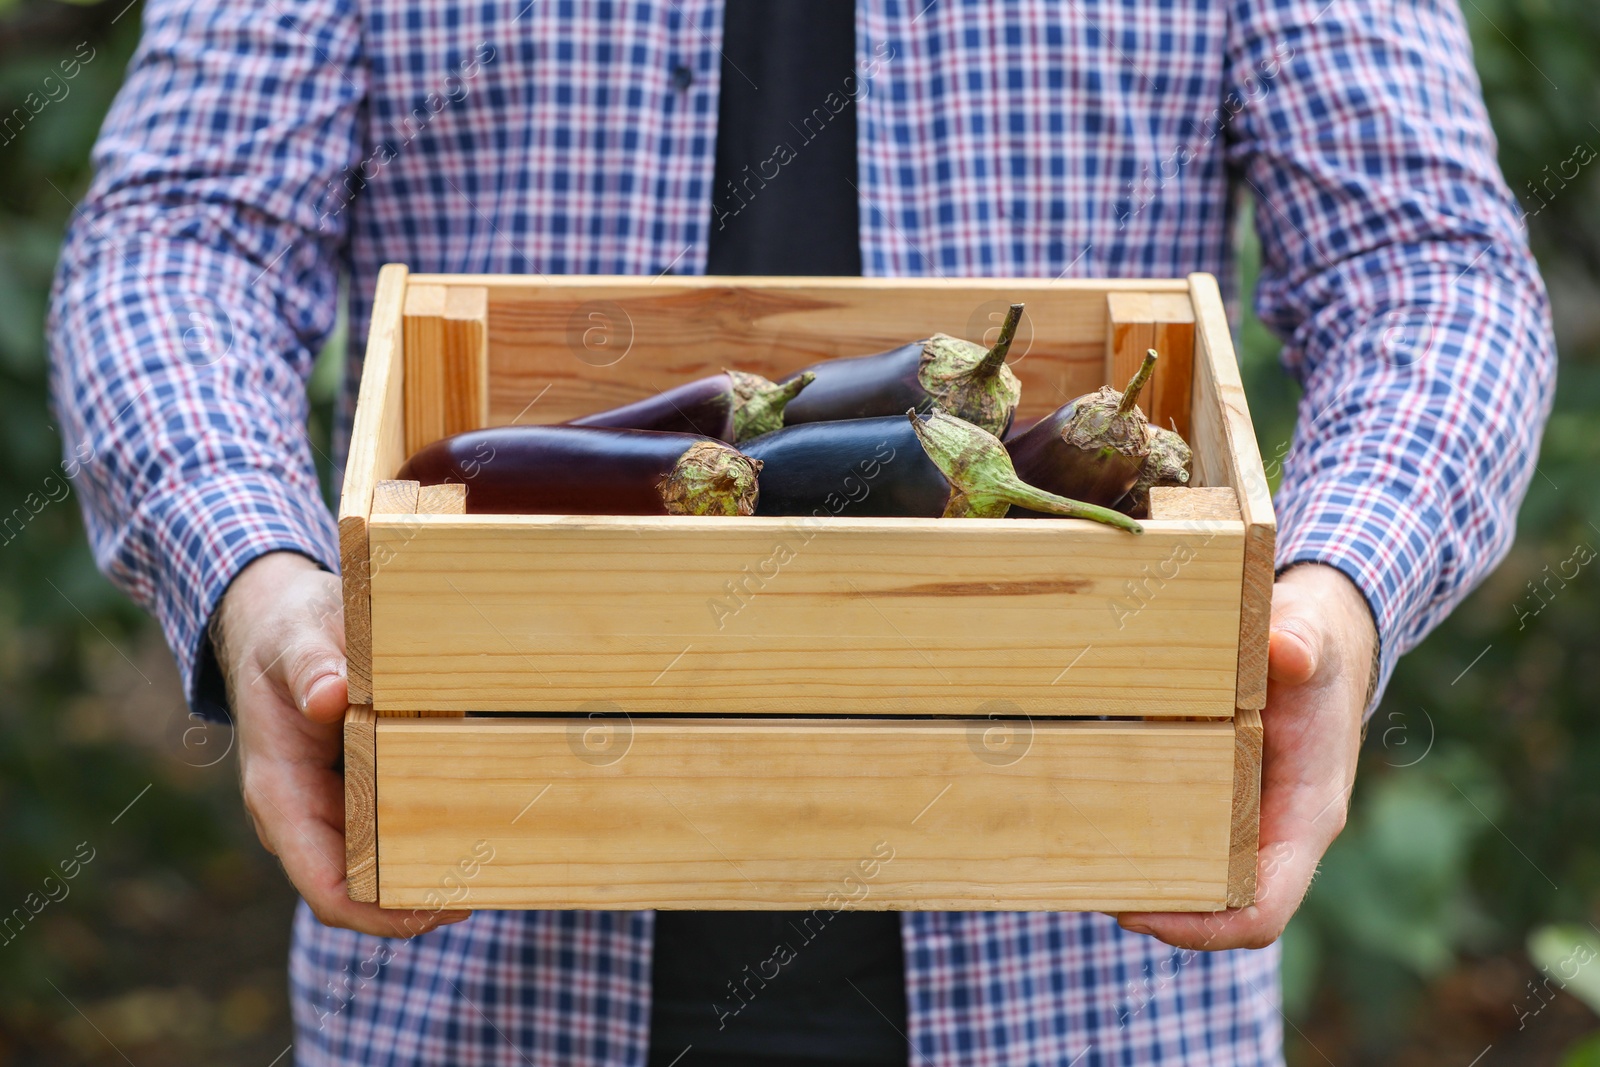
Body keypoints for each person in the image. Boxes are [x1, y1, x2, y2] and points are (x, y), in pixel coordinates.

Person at [48, 0, 1553, 1063]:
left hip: (1092, 970)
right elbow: (182, 239)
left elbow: (1426, 265)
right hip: (475, 978)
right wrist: (254, 571)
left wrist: (1334, 587)